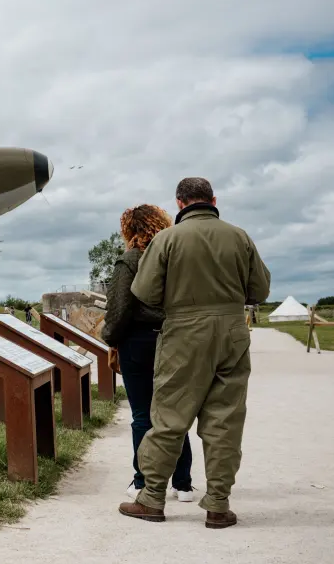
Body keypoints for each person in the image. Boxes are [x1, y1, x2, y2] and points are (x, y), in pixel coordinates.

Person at [119, 178, 271, 529]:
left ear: (179, 202)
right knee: (225, 420)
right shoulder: (239, 236)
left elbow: (143, 291)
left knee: (170, 416)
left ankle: (152, 498)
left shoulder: (167, 239)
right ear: (213, 200)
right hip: (232, 332)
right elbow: (260, 289)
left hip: (184, 332)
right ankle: (218, 505)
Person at [102, 204, 193, 504]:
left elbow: (119, 308)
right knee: (174, 415)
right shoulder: (176, 257)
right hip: (175, 339)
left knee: (142, 415)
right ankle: (182, 484)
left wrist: (110, 338)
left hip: (138, 342)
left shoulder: (130, 260)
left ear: (129, 229)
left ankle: (143, 480)